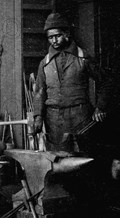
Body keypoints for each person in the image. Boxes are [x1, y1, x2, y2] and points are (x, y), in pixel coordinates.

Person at [33, 12, 110, 152]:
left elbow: (105, 81)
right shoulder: (45, 63)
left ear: (66, 33)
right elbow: (39, 91)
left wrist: (100, 107)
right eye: (50, 37)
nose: (54, 41)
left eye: (57, 36)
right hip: (54, 121)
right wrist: (38, 116)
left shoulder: (83, 58)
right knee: (57, 162)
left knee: (83, 160)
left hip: (80, 118)